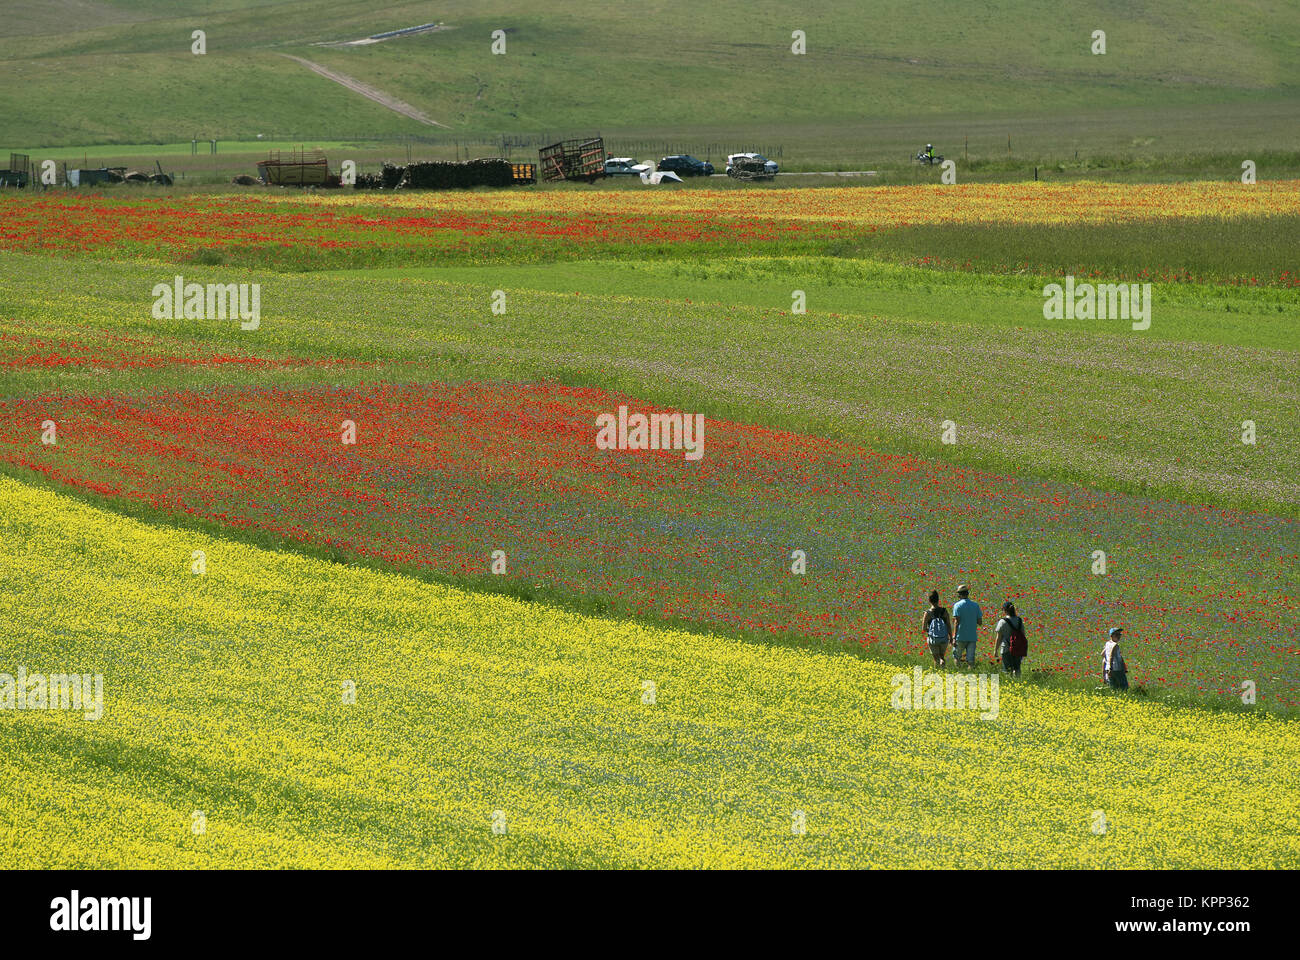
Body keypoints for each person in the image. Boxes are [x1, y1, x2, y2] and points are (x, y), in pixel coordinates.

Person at [951, 584, 982, 668]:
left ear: (959, 595)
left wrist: (954, 637)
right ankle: (970, 675)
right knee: (970, 660)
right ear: (967, 593)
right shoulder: (975, 605)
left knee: (957, 657)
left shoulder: (957, 605)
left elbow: (957, 622)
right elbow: (980, 622)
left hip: (960, 636)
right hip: (972, 636)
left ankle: (959, 673)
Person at [995, 602, 1027, 676]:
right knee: (1017, 669)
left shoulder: (1002, 621)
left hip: (1006, 648)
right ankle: (1018, 684)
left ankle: (1009, 683)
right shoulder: (1019, 620)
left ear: (1004, 610)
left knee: (1007, 670)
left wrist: (995, 650)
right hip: (1018, 648)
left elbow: (998, 638)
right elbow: (1023, 635)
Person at [921, 590, 952, 668]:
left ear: (929, 600)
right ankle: (943, 668)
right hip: (944, 638)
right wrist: (951, 637)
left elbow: (924, 628)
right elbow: (948, 625)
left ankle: (937, 673)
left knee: (936, 659)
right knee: (942, 656)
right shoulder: (944, 611)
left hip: (933, 639)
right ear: (938, 600)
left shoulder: (927, 613)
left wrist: (931, 631)